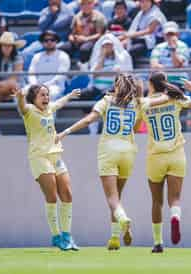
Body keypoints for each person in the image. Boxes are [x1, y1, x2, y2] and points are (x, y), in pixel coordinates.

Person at [56, 74, 172, 250]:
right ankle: (114, 238)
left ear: (116, 86)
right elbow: (165, 97)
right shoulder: (139, 102)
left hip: (108, 150)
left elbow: (89, 119)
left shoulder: (106, 100)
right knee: (117, 196)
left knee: (112, 198)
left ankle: (124, 219)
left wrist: (65, 132)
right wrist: (168, 88)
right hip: (128, 151)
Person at [139, 71, 191, 253]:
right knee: (175, 199)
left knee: (156, 201)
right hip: (176, 155)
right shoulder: (175, 98)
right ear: (165, 83)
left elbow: (135, 125)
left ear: (151, 84)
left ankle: (158, 242)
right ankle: (175, 216)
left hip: (155, 156)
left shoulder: (144, 103)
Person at [14, 85, 80, 251]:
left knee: (67, 195)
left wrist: (70, 95)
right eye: (42, 95)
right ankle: (56, 236)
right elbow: (21, 107)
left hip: (56, 155)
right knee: (51, 196)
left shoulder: (49, 108)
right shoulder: (29, 110)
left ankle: (67, 236)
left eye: (47, 95)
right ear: (34, 98)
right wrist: (20, 97)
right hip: (39, 157)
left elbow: (59, 103)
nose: (46, 98)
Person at [60, 0, 107, 69]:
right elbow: (72, 32)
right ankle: (66, 66)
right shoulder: (77, 16)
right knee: (64, 48)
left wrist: (86, 39)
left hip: (92, 41)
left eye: (89, 3)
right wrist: (71, 37)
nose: (86, 6)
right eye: (83, 4)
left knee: (84, 49)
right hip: (78, 40)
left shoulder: (99, 17)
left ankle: (84, 67)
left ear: (93, 5)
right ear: (80, 6)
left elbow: (100, 34)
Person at [120, 0, 167, 67]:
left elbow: (150, 30)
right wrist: (124, 38)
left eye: (146, 1)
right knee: (120, 45)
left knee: (130, 52)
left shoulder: (156, 13)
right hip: (142, 40)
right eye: (142, 1)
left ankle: (129, 72)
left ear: (151, 2)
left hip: (154, 42)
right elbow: (133, 30)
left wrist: (131, 35)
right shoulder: (140, 13)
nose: (144, 4)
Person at [27, 30, 70, 102]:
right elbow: (31, 73)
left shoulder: (63, 56)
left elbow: (60, 76)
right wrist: (34, 85)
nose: (49, 42)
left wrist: (44, 86)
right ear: (42, 42)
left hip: (55, 87)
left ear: (56, 41)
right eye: (46, 40)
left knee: (48, 94)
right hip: (37, 86)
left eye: (52, 40)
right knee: (22, 94)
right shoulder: (36, 56)